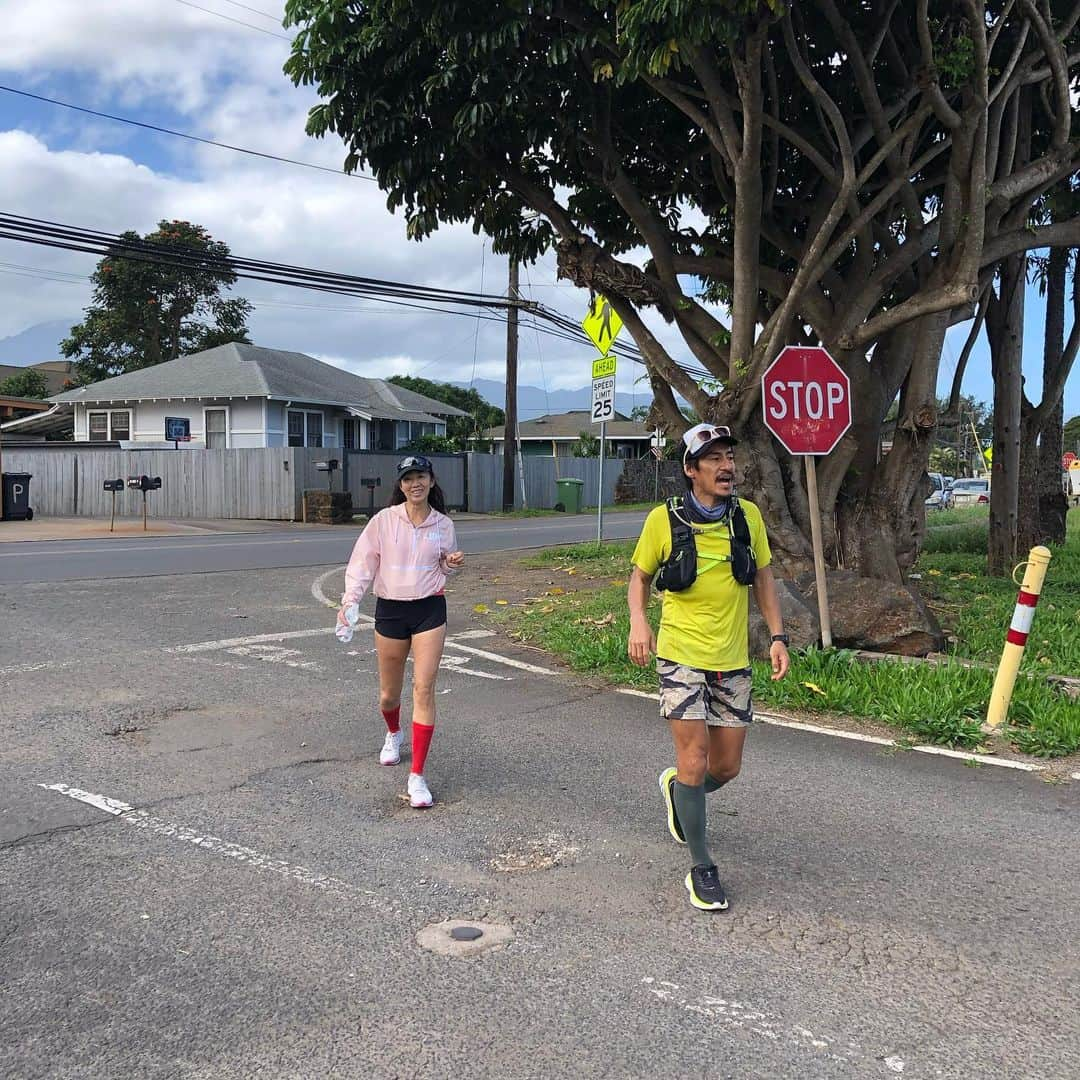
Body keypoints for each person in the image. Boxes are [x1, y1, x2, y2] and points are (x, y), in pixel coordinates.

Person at [627, 424, 790, 911]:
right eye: (713, 459)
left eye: (729, 457)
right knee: (695, 757)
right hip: (680, 655)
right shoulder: (664, 519)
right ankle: (702, 867)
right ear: (690, 470)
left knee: (725, 767)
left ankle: (679, 790)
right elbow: (639, 578)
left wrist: (778, 637)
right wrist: (639, 621)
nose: (726, 466)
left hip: (732, 660)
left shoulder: (748, 518)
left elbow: (763, 576)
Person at [338, 454, 464, 808]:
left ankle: (418, 777)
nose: (415, 484)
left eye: (420, 476)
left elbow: (444, 568)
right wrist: (350, 602)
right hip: (391, 611)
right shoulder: (382, 522)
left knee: (424, 689)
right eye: (408, 479)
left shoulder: (443, 525)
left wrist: (450, 565)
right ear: (401, 485)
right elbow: (363, 564)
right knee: (388, 696)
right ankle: (394, 733)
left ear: (432, 480)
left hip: (429, 609)